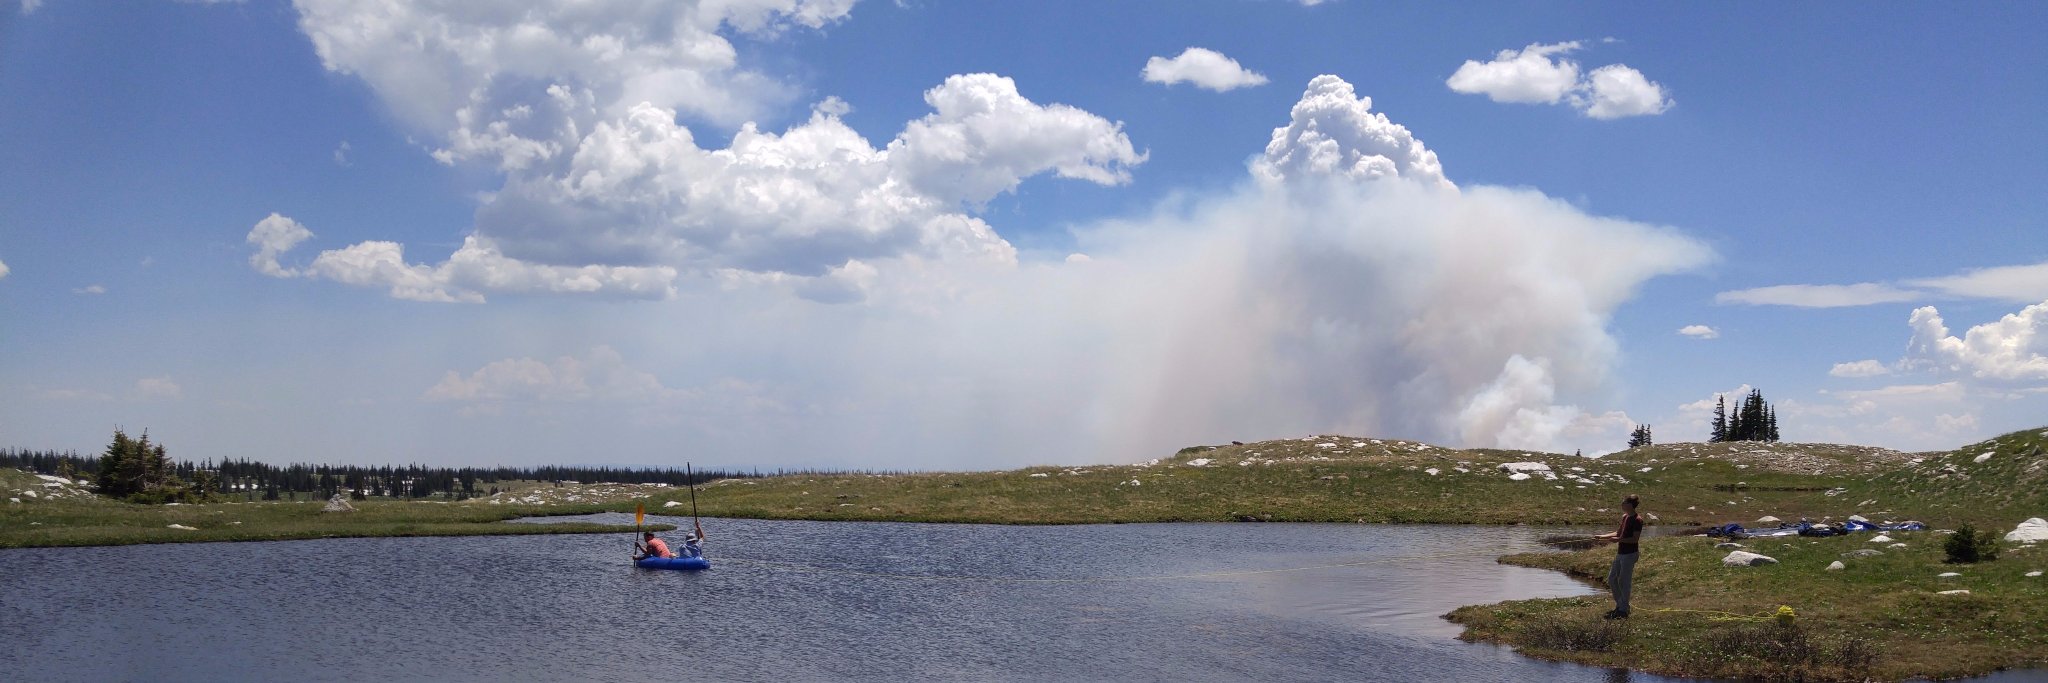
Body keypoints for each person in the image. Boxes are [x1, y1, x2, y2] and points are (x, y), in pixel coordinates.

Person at [1595, 494, 1644, 619]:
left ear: (1630, 505)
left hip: (1630, 554)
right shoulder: (1625, 517)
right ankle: (1621, 606)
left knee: (1624, 581)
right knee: (1612, 579)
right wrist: (1602, 536)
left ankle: (1623, 609)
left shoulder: (1637, 520)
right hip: (1620, 554)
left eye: (1624, 502)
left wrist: (1618, 540)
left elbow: (1634, 539)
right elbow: (1618, 533)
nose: (1622, 504)